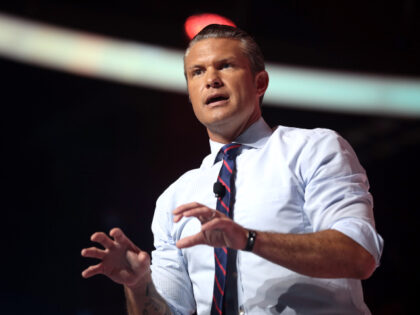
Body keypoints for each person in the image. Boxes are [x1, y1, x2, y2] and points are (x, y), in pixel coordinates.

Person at [81, 24, 383, 314]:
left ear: (259, 83)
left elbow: (358, 254)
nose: (211, 79)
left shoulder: (313, 149)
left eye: (225, 66)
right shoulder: (174, 198)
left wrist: (249, 240)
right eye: (197, 72)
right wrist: (138, 285)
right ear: (190, 93)